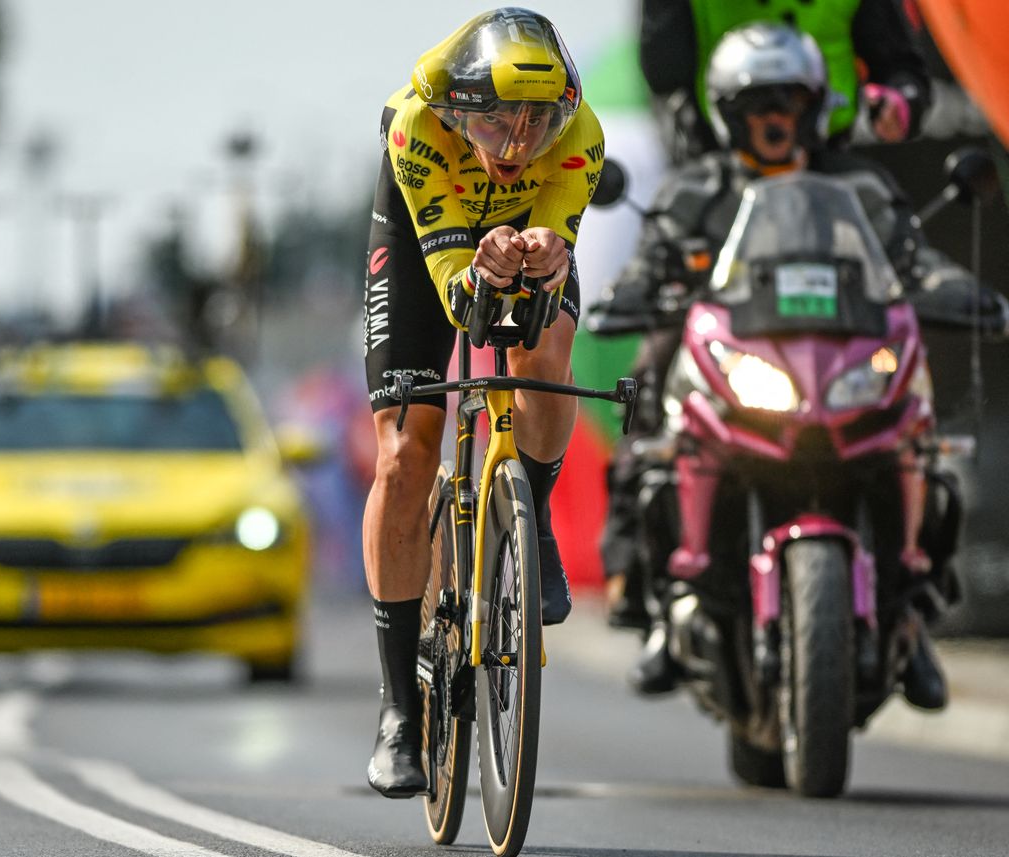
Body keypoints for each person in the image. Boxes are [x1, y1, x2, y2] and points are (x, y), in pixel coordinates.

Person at [590, 22, 1008, 710]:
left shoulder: (860, 186)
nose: (774, 117)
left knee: (922, 445)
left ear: (815, 106)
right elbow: (651, 258)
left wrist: (956, 287)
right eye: (758, 104)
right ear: (727, 113)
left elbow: (909, 254)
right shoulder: (695, 191)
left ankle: (913, 609)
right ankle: (654, 597)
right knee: (649, 429)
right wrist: (632, 292)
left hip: (837, 364)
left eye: (788, 101)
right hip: (734, 367)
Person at [363, 8, 605, 797]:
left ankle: (528, 515)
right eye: (498, 122)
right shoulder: (418, 125)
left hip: (523, 235)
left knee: (548, 348)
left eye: (536, 125)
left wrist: (540, 258)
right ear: (462, 110)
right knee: (408, 447)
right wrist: (481, 271)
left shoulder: (582, 137)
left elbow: (547, 276)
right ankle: (400, 709)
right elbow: (459, 303)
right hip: (429, 239)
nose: (515, 145)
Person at [639, 0, 933, 162]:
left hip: (826, 166)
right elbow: (663, 74)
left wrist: (900, 104)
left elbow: (902, 68)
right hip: (721, 169)